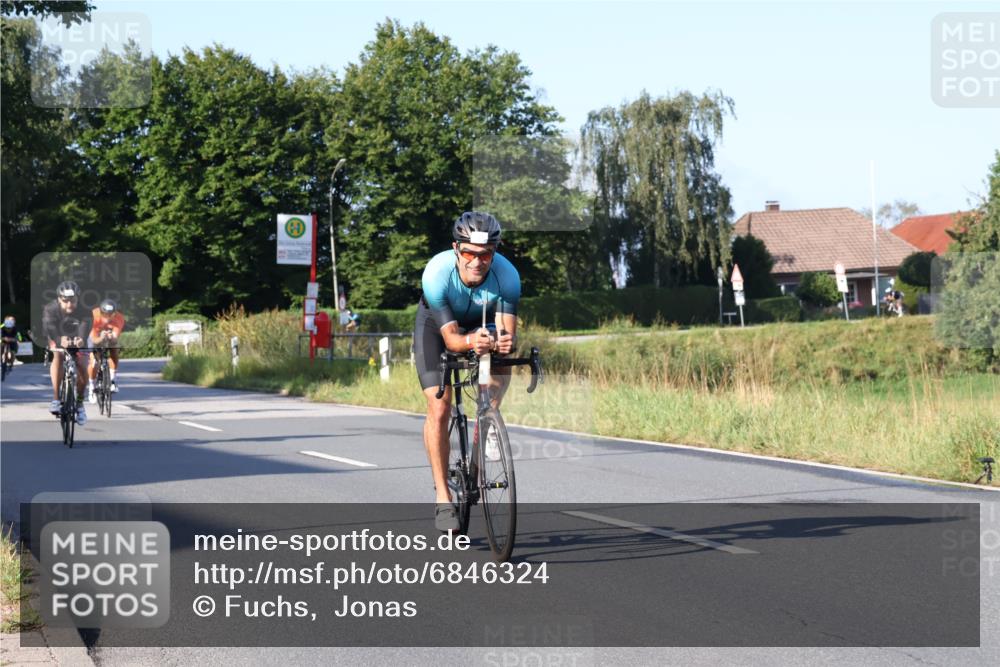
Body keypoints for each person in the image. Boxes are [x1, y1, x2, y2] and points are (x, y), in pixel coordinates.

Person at [414, 212, 520, 531]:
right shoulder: (436, 273)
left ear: (495, 252)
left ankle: (488, 419)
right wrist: (472, 341)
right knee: (440, 405)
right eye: (470, 253)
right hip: (437, 326)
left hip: (481, 320)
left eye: (486, 254)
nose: (477, 261)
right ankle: (443, 498)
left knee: (501, 358)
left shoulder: (508, 277)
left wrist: (503, 344)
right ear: (457, 249)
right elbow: (452, 340)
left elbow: (508, 337)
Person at [42, 281, 91, 424]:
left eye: (73, 300)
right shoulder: (50, 309)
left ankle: (80, 404)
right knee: (58, 355)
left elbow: (85, 327)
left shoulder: (84, 310)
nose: (70, 304)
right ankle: (56, 398)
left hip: (76, 335)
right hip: (56, 334)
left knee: (82, 365)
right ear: (59, 299)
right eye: (66, 301)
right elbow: (50, 328)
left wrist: (81, 339)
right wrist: (58, 339)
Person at [87, 298, 125, 402]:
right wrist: (101, 338)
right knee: (94, 362)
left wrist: (110, 337)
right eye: (105, 315)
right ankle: (91, 387)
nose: (108, 318)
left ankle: (113, 379)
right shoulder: (94, 316)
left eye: (111, 315)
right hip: (94, 336)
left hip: (108, 335)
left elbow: (115, 337)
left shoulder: (119, 318)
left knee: (114, 349)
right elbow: (94, 339)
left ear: (115, 313)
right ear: (100, 312)